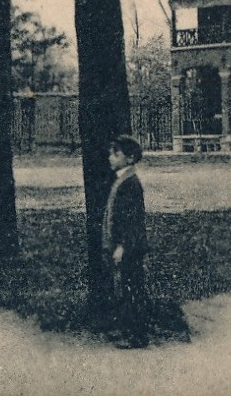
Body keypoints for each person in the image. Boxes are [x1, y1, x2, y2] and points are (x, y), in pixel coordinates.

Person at [104, 134, 150, 349]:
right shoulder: (122, 179)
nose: (111, 157)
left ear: (130, 158)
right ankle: (127, 329)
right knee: (123, 288)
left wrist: (122, 245)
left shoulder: (130, 183)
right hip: (123, 245)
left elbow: (132, 220)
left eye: (116, 154)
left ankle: (137, 335)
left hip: (129, 246)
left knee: (132, 291)